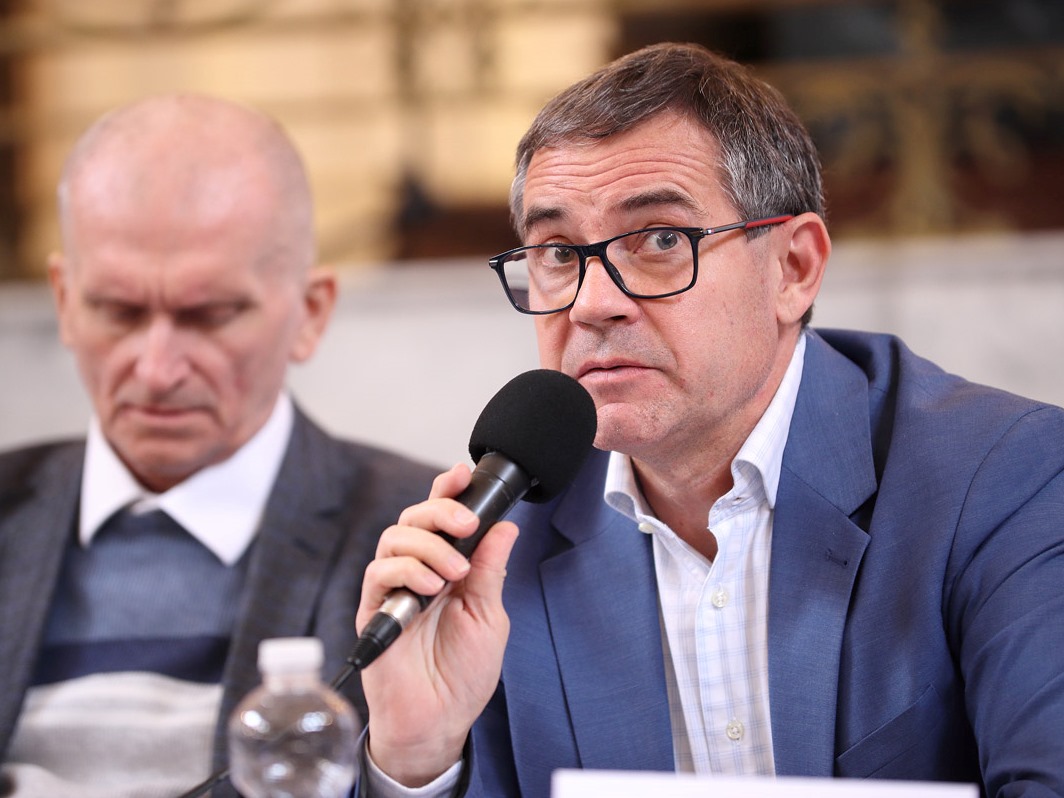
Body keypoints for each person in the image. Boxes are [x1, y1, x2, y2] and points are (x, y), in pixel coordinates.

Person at [353, 42, 1064, 797]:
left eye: (661, 239)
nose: (593, 304)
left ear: (793, 268)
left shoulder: (1002, 480)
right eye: (557, 253)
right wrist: (416, 759)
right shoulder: (499, 550)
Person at [0, 93, 439, 798]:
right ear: (63, 301)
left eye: (209, 315)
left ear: (311, 312)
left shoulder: (418, 542)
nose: (156, 369)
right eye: (118, 311)